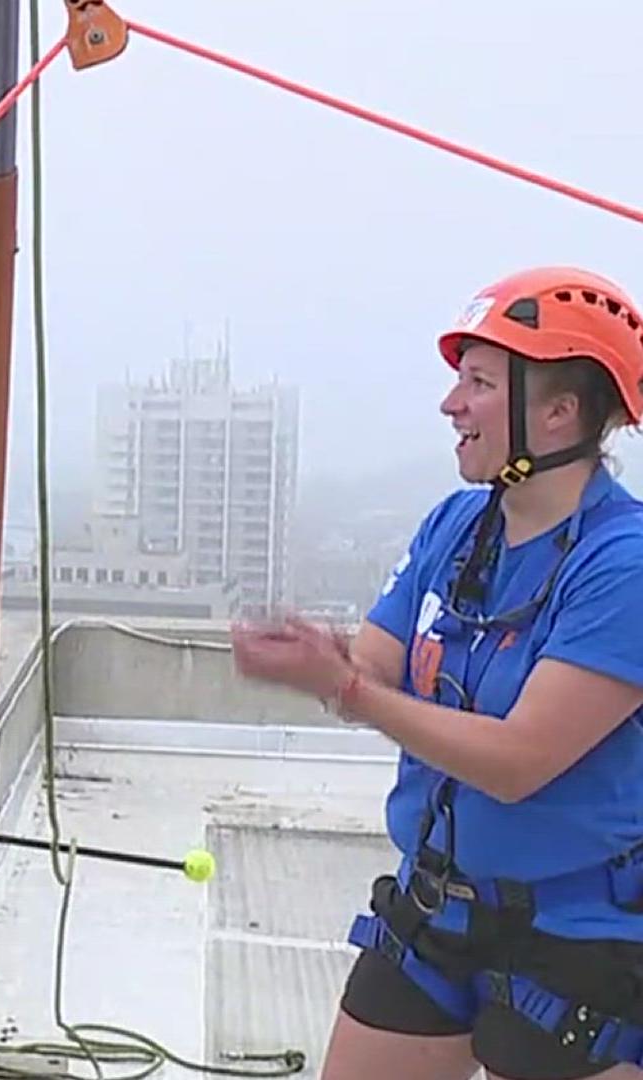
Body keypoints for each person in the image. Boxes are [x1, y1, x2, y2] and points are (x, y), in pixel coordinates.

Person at [230, 265, 643, 1080]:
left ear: (560, 413)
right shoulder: (459, 527)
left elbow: (518, 762)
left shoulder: (622, 565)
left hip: (578, 934)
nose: (451, 405)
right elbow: (374, 668)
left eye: (480, 383)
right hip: (438, 906)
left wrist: (350, 689)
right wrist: (321, 664)